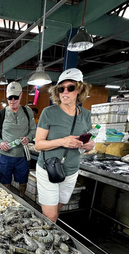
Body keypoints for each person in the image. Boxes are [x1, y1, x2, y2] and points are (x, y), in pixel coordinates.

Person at [35, 68, 95, 223]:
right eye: (61, 89)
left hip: (71, 169)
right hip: (49, 168)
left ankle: (50, 233)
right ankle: (47, 243)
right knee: (51, 215)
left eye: (70, 87)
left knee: (59, 208)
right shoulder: (49, 112)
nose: (65, 92)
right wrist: (62, 141)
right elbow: (38, 144)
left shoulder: (86, 115)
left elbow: (85, 141)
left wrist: (89, 145)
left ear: (80, 89)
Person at [0, 81, 36, 197]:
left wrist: (29, 138)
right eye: (10, 97)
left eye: (15, 97)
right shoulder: (1, 114)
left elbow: (33, 130)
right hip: (6, 156)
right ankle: (7, 202)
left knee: (23, 182)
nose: (12, 101)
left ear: (21, 95)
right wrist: (0, 142)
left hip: (22, 156)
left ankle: (22, 198)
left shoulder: (28, 112)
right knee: (5, 183)